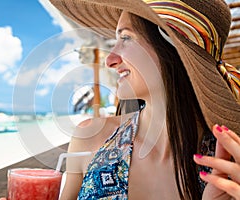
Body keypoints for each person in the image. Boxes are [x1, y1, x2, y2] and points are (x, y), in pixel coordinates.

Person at [47, 0, 240, 200]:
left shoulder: (229, 167)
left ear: (171, 47)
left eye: (126, 38)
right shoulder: (89, 137)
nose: (109, 59)